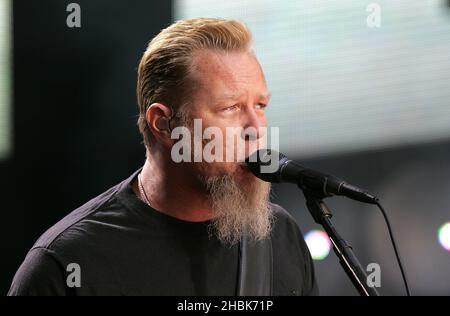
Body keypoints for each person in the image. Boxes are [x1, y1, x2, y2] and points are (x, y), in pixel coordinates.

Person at [8, 18, 318, 296]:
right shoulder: (66, 263)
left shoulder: (280, 234)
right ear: (163, 124)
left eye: (260, 106)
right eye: (230, 108)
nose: (257, 128)